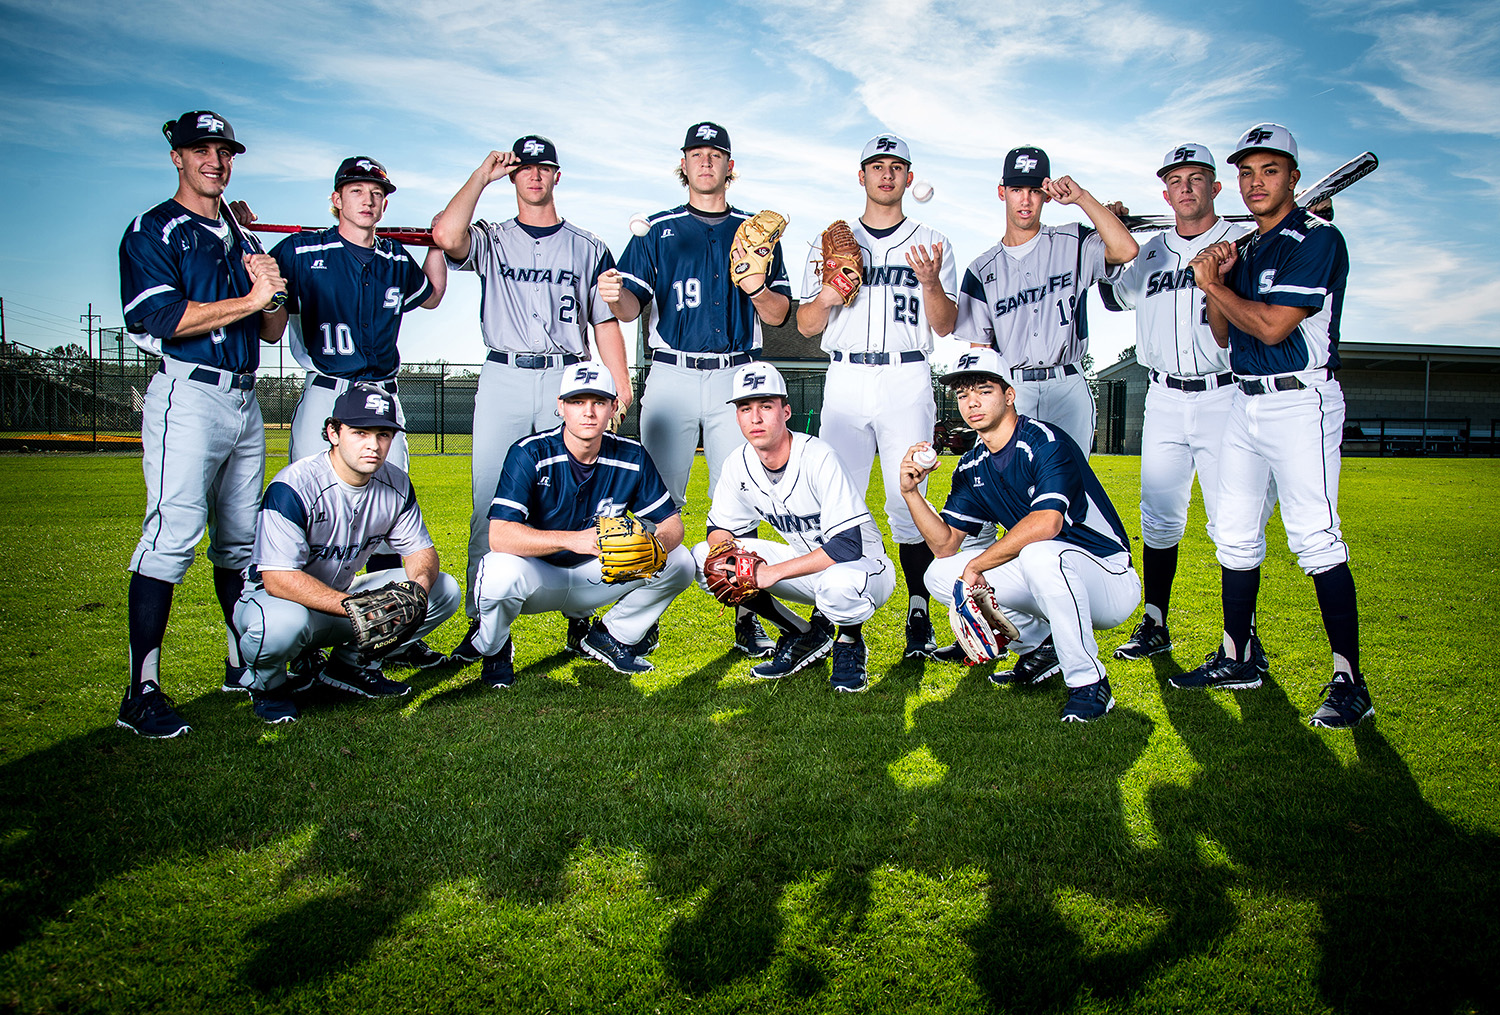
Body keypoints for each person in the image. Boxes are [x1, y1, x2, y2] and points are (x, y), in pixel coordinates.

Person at [1176, 123, 1372, 729]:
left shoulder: (1318, 238)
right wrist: (1218, 281)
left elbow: (1271, 328)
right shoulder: (1250, 249)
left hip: (1300, 401)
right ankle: (1240, 655)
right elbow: (1223, 333)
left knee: (1315, 537)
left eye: (1269, 170)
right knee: (1233, 534)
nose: (1255, 183)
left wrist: (1210, 280)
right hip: (1244, 399)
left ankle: (1348, 681)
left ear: (1292, 175)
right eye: (1246, 172)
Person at [116, 110, 288, 737]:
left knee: (242, 543)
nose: (214, 161)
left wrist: (271, 293)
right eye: (200, 150)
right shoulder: (153, 228)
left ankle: (240, 663)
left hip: (245, 398)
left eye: (224, 151)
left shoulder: (241, 235)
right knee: (173, 534)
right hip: (187, 395)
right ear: (177, 157)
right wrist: (250, 298)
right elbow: (159, 319)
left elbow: (270, 327)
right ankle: (141, 690)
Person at [240, 155, 448, 670]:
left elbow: (433, 294)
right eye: (357, 190)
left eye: (378, 192)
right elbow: (264, 298)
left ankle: (383, 631)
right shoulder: (300, 249)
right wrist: (241, 238)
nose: (369, 199)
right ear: (337, 198)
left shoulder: (396, 259)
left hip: (383, 395)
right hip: (328, 391)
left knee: (385, 507)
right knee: (311, 501)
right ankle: (308, 627)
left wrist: (441, 244)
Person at [598, 121, 793, 661]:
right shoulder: (655, 230)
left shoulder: (759, 231)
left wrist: (755, 281)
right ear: (682, 164)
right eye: (696, 154)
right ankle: (638, 619)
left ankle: (747, 619)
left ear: (731, 167)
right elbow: (631, 308)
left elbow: (778, 314)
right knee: (656, 504)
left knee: (744, 507)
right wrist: (614, 295)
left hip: (739, 377)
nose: (706, 161)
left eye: (716, 154)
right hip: (673, 373)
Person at [431, 136, 630, 665]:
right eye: (524, 168)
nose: (534, 176)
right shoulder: (492, 239)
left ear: (557, 176)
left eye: (544, 168)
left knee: (580, 495)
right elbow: (445, 234)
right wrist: (482, 174)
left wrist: (621, 381)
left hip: (570, 376)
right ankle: (486, 628)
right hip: (505, 374)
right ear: (513, 176)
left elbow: (604, 321)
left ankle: (582, 621)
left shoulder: (588, 246)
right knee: (488, 502)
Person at [1097, 143, 1272, 660]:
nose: (1187, 188)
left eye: (1197, 178)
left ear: (1217, 188)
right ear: (1166, 191)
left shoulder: (1242, 241)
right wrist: (1112, 238)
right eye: (1176, 180)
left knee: (1232, 522)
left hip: (1225, 394)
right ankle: (1154, 623)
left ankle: (1242, 636)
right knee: (1159, 517)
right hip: (1163, 396)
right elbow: (1111, 297)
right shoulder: (1147, 250)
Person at [899, 349, 1140, 722]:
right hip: (1049, 573)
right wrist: (912, 493)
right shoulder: (973, 464)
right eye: (962, 395)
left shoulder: (1045, 441)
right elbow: (945, 544)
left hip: (1107, 577)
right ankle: (1040, 647)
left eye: (983, 390)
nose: (971, 402)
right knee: (940, 575)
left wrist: (978, 564)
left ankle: (1089, 682)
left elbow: (1047, 524)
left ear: (1009, 395)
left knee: (1040, 553)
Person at [794, 133, 961, 662]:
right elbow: (804, 324)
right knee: (838, 503)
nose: (886, 175)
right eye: (876, 166)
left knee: (906, 500)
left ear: (909, 178)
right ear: (860, 176)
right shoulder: (828, 245)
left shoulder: (932, 240)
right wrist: (826, 292)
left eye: (896, 167)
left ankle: (918, 613)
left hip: (907, 381)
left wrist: (931, 282)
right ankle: (845, 628)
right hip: (844, 378)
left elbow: (946, 323)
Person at [233, 384, 462, 722]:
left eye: (383, 434)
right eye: (359, 432)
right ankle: (270, 685)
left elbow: (421, 552)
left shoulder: (395, 482)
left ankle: (348, 668)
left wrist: (417, 591)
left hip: (339, 600)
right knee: (281, 626)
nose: (373, 444)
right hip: (275, 602)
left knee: (443, 590)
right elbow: (278, 579)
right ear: (333, 432)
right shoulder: (294, 485)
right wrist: (356, 608)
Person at [469, 363, 694, 688]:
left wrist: (648, 544)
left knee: (681, 562)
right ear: (561, 406)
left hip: (598, 574)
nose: (588, 412)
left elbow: (672, 524)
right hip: (537, 575)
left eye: (598, 402)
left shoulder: (631, 455)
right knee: (496, 572)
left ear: (613, 407)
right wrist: (573, 540)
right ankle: (495, 649)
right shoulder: (529, 452)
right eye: (577, 402)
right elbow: (499, 535)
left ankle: (610, 635)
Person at [692, 363, 896, 693]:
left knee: (837, 585)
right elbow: (719, 526)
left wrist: (769, 574)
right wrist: (723, 552)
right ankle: (804, 634)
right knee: (705, 558)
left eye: (765, 407)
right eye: (746, 408)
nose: (755, 418)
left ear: (785, 411)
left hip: (864, 569)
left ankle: (848, 641)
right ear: (737, 417)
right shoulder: (738, 463)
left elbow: (847, 546)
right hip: (807, 567)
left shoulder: (818, 456)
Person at [955, 146, 1137, 453]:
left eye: (1034, 190)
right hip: (1013, 387)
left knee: (1072, 482)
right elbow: (981, 352)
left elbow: (1125, 250)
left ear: (1047, 194)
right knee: (1009, 484)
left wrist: (1082, 198)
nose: (1025, 200)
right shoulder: (981, 269)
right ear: (1002, 192)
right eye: (1016, 190)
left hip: (1068, 382)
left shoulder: (1073, 239)